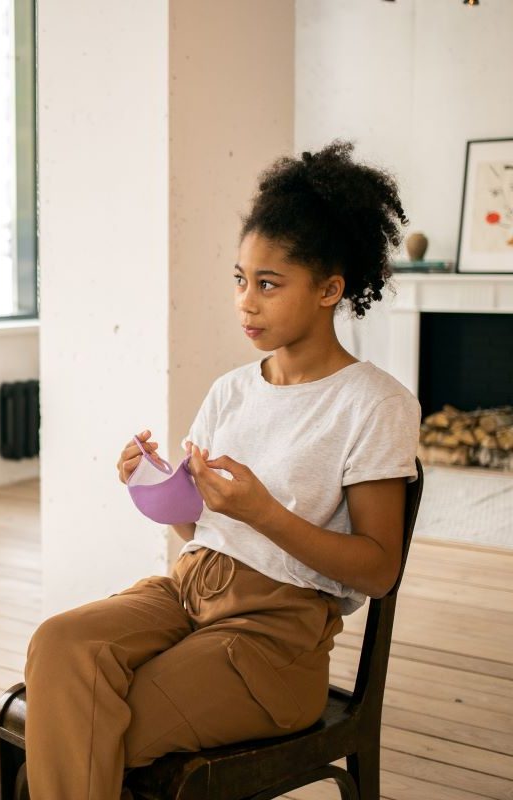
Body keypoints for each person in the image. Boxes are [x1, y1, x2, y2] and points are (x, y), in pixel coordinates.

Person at [23, 141, 421, 799]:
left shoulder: (374, 405)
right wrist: (157, 490)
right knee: (61, 645)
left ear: (330, 289)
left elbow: (378, 570)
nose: (247, 302)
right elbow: (201, 532)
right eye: (240, 279)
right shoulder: (232, 390)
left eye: (269, 284)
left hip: (274, 638)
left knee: (89, 723)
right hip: (186, 590)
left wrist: (264, 511)